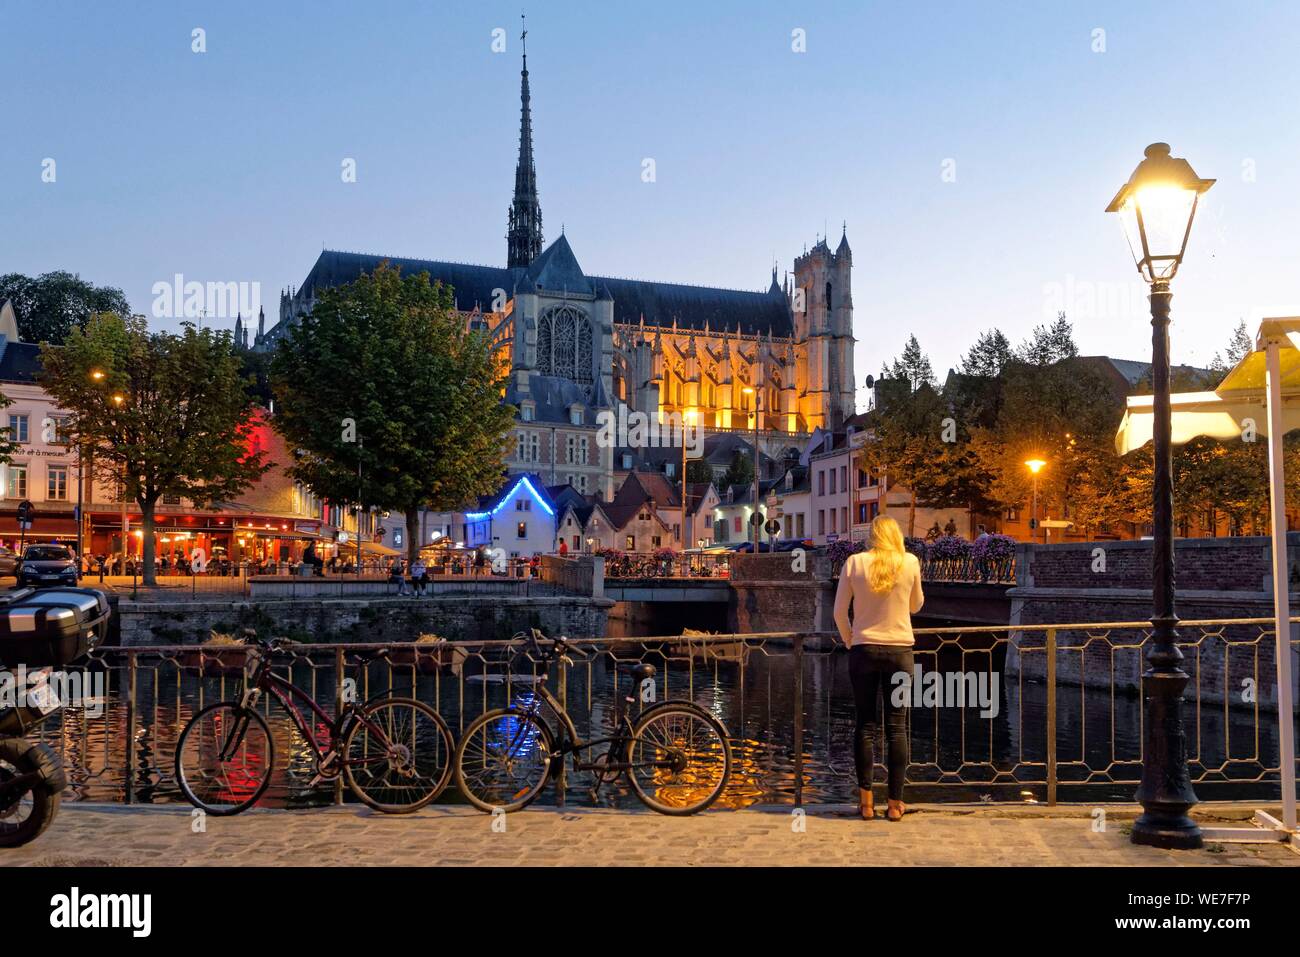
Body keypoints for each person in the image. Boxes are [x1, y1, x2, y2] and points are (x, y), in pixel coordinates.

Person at [833, 515, 924, 823]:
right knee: (897, 728)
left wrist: (850, 640)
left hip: (864, 651)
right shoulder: (909, 562)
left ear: (871, 537)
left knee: (865, 725)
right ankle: (896, 804)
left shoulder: (854, 563)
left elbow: (838, 612)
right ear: (896, 536)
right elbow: (915, 606)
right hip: (900, 651)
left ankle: (867, 803)